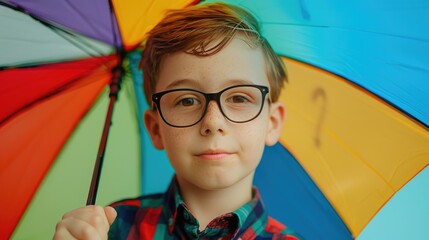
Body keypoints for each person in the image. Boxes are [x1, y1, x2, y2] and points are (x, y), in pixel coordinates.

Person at [54, 2, 303, 240]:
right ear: (155, 128)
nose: (213, 122)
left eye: (239, 97)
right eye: (186, 101)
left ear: (272, 122)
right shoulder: (110, 229)